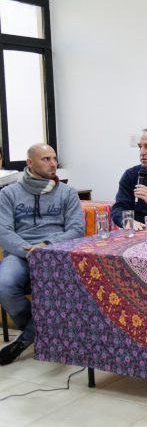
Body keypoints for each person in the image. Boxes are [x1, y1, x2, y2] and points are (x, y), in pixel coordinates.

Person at [0, 144, 84, 365]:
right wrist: (28, 251)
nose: (53, 164)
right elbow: (3, 231)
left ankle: (25, 339)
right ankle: (39, 331)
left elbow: (77, 230)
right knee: (4, 284)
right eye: (46, 159)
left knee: (64, 287)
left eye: (54, 158)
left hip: (56, 254)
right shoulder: (8, 193)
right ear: (30, 163)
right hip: (21, 254)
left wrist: (46, 246)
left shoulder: (67, 193)